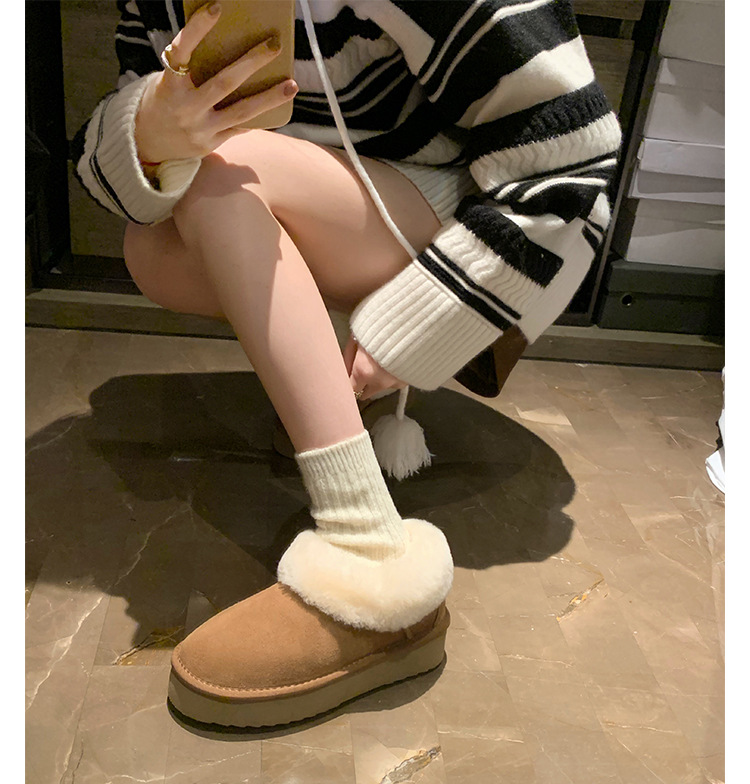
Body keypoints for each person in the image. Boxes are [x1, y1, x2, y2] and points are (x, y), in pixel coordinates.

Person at [73, 0, 621, 728]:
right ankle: (333, 391)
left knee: (220, 173)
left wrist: (425, 322)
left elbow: (574, 156)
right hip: (328, 187)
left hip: (483, 215)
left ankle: (370, 551)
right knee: (156, 244)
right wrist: (150, 132)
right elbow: (128, 151)